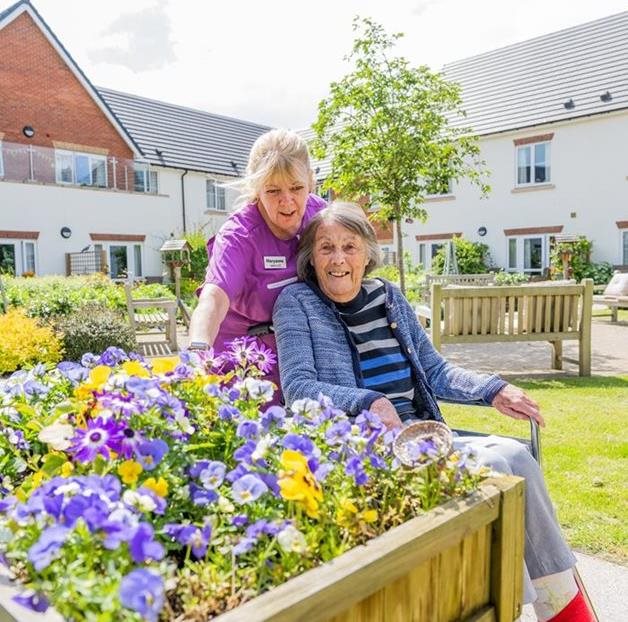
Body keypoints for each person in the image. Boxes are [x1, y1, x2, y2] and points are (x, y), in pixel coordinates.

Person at [272, 203, 594, 622]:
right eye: (326, 248)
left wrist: (495, 389)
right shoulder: (296, 302)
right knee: (497, 464)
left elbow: (436, 370)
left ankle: (560, 608)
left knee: (515, 456)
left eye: (349, 246)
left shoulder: (389, 297)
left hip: (424, 435)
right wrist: (367, 401)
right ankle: (544, 610)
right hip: (364, 448)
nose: (338, 259)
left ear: (367, 253)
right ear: (311, 259)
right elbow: (298, 389)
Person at [188, 129, 326, 391]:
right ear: (256, 189)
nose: (287, 201)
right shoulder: (238, 235)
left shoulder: (320, 214)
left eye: (297, 187)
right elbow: (213, 301)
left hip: (301, 355)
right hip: (243, 362)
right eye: (273, 190)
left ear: (311, 181)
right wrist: (197, 355)